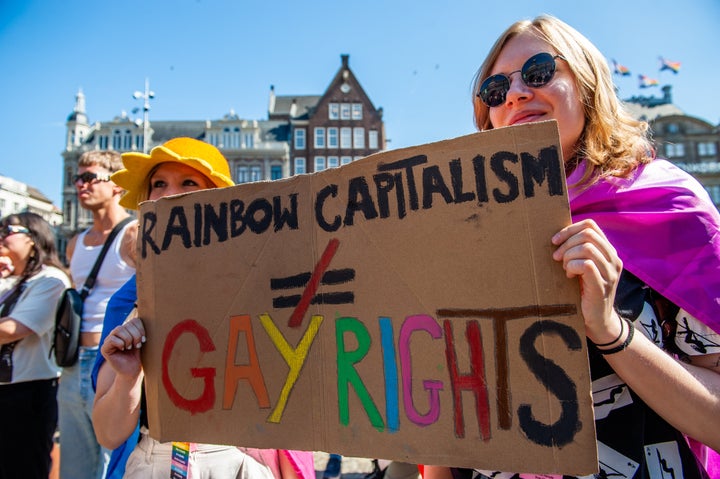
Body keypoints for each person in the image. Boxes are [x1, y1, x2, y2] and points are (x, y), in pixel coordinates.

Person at [424, 15, 720, 479]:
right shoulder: (465, 232)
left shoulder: (671, 209)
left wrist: (609, 329)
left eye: (539, 71)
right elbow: (450, 415)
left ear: (587, 84)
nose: (517, 93)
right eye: (495, 90)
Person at [91, 137, 316, 479]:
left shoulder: (261, 285)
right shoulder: (128, 301)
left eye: (189, 183)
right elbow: (108, 435)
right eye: (159, 184)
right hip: (155, 463)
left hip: (241, 459)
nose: (169, 194)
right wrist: (128, 376)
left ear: (218, 200)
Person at [59, 149, 137, 479]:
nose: (81, 185)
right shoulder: (75, 243)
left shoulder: (132, 234)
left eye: (91, 177)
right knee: (75, 463)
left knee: (112, 460)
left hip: (112, 360)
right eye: (78, 178)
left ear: (117, 185)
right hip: (73, 359)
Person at [0, 212, 72, 478]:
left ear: (33, 238)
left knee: (23, 468)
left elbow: (12, 329)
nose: (1, 236)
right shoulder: (8, 281)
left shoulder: (50, 279)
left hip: (27, 392)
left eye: (8, 230)